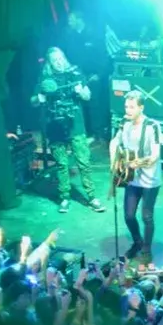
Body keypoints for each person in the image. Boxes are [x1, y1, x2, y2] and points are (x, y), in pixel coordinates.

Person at [31, 48, 107, 214]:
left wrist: (82, 92)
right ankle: (64, 197)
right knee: (61, 164)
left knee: (83, 162)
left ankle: (92, 196)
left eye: (60, 58)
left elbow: (88, 95)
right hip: (55, 128)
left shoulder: (75, 73)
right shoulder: (45, 79)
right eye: (54, 60)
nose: (58, 62)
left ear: (64, 58)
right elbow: (33, 100)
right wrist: (39, 99)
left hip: (76, 126)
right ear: (49, 63)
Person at [109, 90, 162, 264]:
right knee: (129, 216)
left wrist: (137, 163)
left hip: (150, 179)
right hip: (132, 178)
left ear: (141, 107)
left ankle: (146, 249)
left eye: (132, 107)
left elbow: (155, 155)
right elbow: (115, 141)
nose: (128, 110)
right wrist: (113, 163)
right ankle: (137, 242)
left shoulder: (152, 125)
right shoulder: (124, 123)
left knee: (147, 216)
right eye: (126, 106)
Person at [58, 11, 111, 142]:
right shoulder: (70, 36)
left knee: (94, 104)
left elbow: (104, 56)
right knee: (79, 104)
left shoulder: (94, 35)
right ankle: (84, 132)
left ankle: (97, 133)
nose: (69, 22)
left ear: (79, 19)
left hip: (93, 76)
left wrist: (99, 74)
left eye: (71, 19)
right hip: (76, 75)